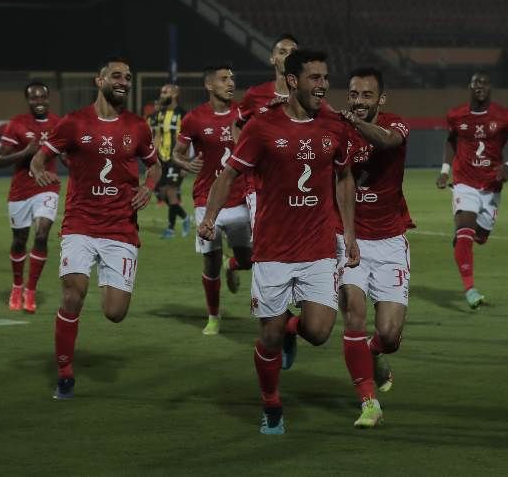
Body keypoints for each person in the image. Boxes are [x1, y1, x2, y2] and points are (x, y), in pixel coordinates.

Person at [199, 49, 360, 435]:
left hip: (319, 247)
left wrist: (350, 232)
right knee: (268, 339)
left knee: (319, 331)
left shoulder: (335, 125)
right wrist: (209, 218)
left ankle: (292, 330)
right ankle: (271, 403)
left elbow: (344, 177)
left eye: (325, 78)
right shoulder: (263, 126)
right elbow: (229, 174)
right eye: (315, 78)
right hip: (273, 251)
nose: (323, 85)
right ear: (292, 81)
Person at [30, 56, 161, 400]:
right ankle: (65, 374)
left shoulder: (138, 126)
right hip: (81, 222)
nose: (124, 81)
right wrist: (39, 169)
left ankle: (108, 282)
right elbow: (40, 157)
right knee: (72, 293)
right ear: (99, 80)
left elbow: (155, 165)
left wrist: (148, 186)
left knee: (115, 312)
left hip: (120, 226)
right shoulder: (74, 123)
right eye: (116, 75)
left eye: (128, 77)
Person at [337, 67, 414, 428]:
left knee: (390, 334)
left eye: (367, 95)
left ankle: (372, 350)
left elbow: (386, 141)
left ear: (381, 99)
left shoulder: (396, 124)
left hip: (390, 240)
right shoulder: (337, 131)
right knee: (354, 312)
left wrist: (354, 123)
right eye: (354, 94)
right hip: (349, 237)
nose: (359, 101)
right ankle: (369, 402)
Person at [436, 72, 508, 309]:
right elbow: (451, 140)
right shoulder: (456, 114)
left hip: (491, 185)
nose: (480, 86)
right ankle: (470, 289)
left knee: (480, 237)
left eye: (485, 83)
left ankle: (464, 237)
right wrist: (445, 171)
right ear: (469, 87)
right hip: (464, 182)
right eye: (476, 82)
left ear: (490, 88)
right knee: (465, 232)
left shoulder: (504, 115)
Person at [173, 65, 252, 335]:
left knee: (249, 260)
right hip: (206, 200)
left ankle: (233, 264)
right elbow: (177, 153)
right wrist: (186, 163)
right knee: (210, 261)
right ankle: (214, 317)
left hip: (240, 198)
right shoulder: (194, 119)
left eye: (232, 78)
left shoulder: (243, 115)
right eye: (224, 79)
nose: (231, 83)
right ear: (209, 85)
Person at [0, 81, 62, 314]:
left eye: (43, 97)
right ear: (28, 100)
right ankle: (17, 287)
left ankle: (30, 291)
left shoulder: (58, 124)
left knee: (41, 235)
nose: (39, 102)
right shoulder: (17, 124)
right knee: (19, 240)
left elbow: (67, 157)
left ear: (48, 99)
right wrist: (25, 152)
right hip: (21, 191)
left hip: (47, 187)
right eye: (34, 98)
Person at [234, 34, 300, 230]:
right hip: (260, 185)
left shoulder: (307, 97)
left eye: (293, 52)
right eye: (282, 52)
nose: (288, 56)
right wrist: (245, 155)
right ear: (273, 59)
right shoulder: (255, 95)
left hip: (297, 182)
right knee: (263, 237)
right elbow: (236, 125)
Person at [148, 83, 190, 238]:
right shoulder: (160, 114)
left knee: (171, 192)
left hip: (176, 159)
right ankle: (185, 217)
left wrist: (185, 163)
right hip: (162, 158)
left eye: (165, 92)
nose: (162, 95)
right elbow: (157, 137)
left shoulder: (183, 115)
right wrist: (152, 159)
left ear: (174, 94)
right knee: (161, 192)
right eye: (161, 92)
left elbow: (187, 140)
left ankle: (170, 229)